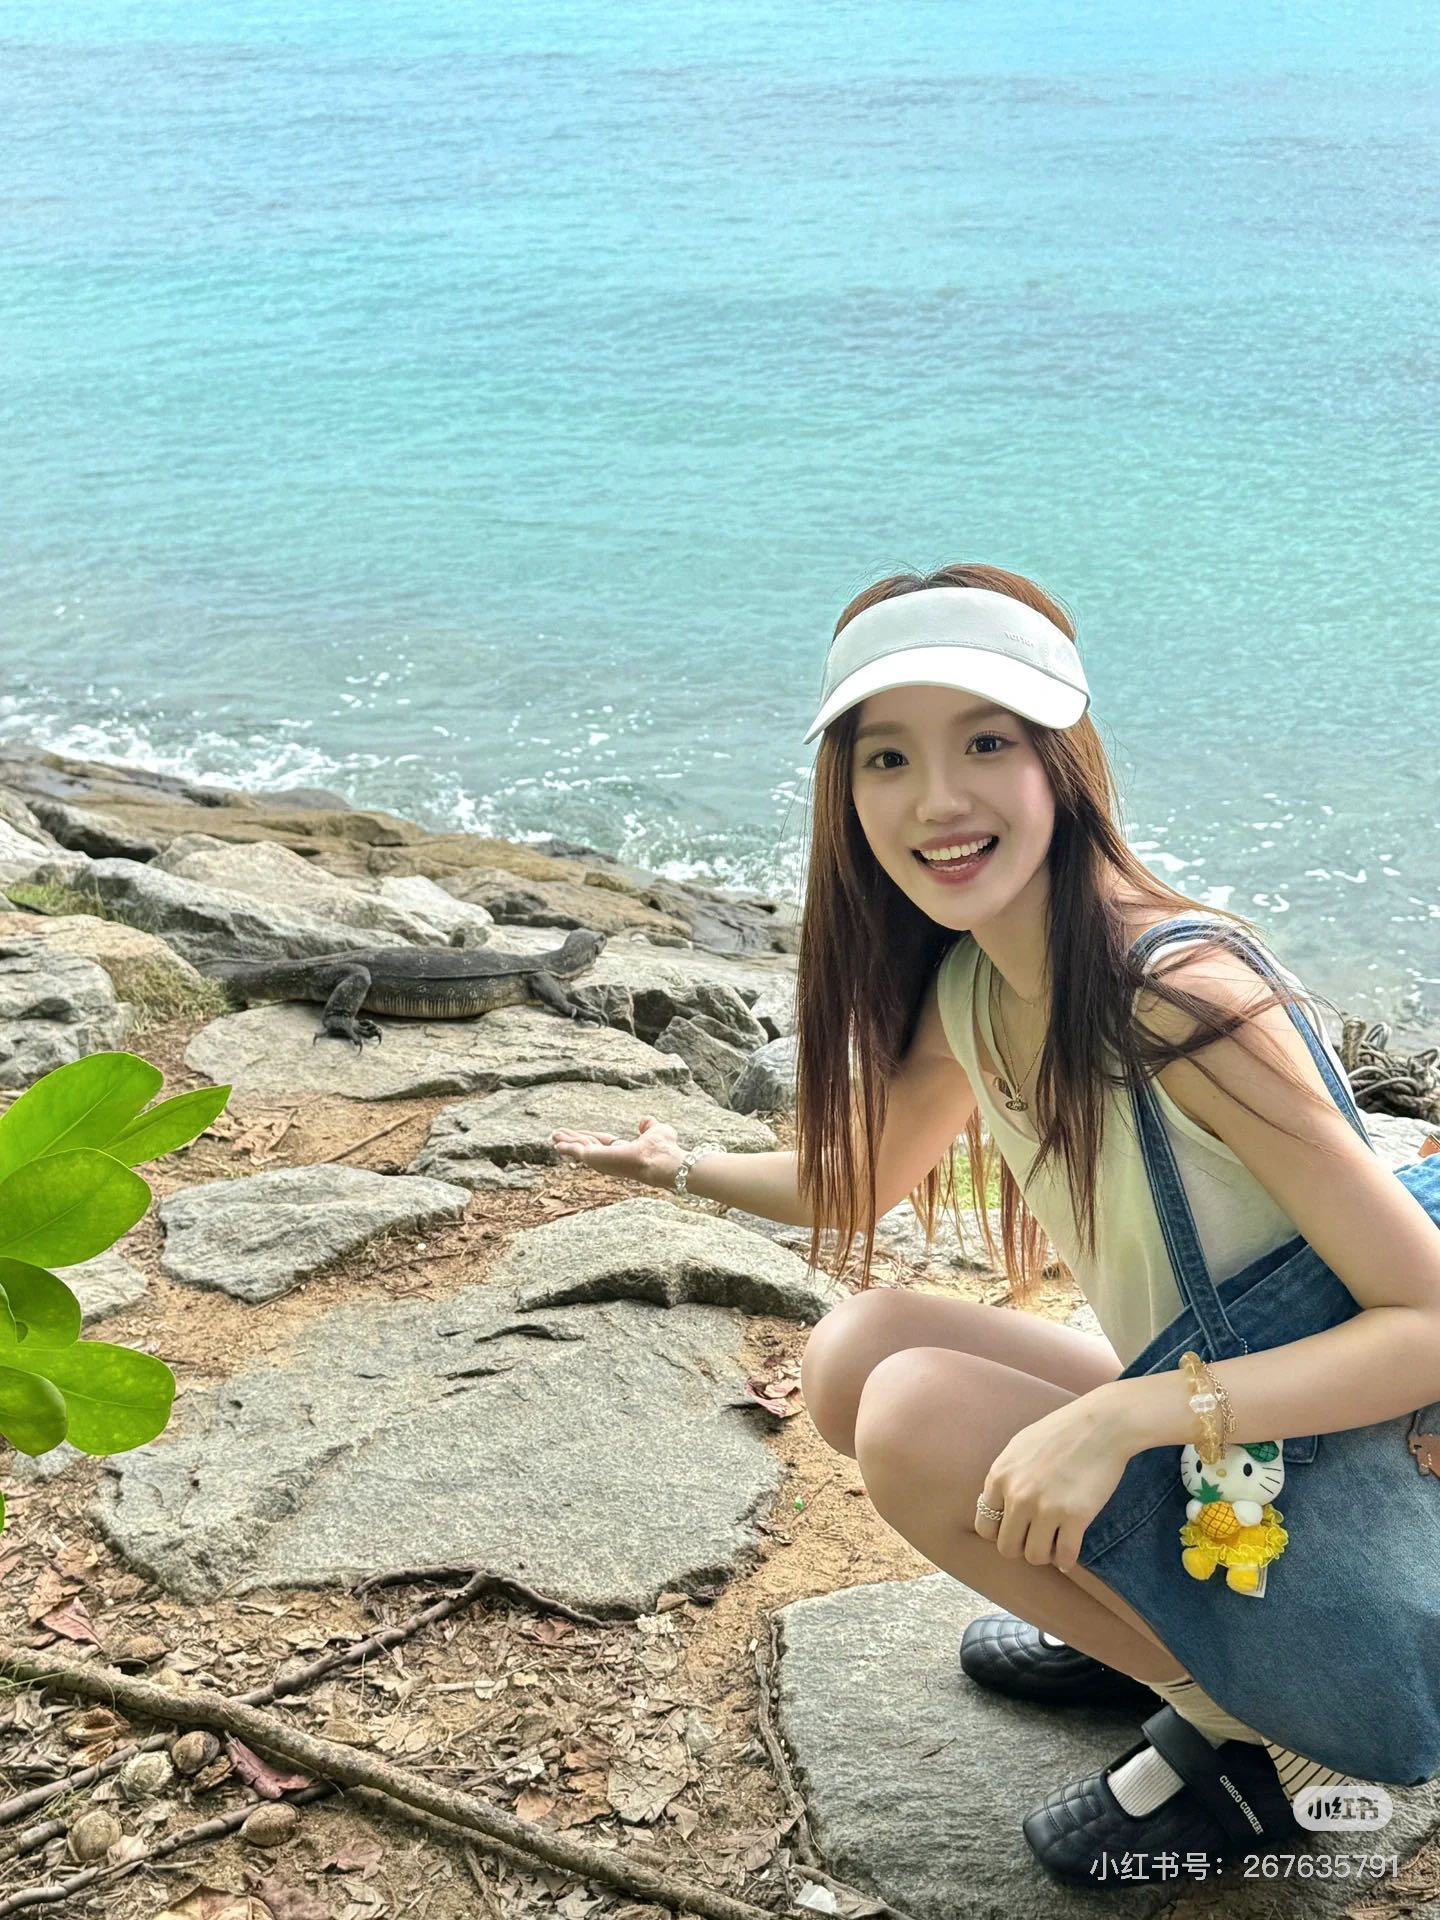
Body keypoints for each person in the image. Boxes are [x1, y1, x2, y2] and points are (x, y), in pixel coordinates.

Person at [551, 562, 1440, 1881]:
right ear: (847, 795)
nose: (937, 801)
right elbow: (854, 1184)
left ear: (1061, 763)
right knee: (857, 1352)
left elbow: (1429, 1321)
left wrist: (1117, 1422)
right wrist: (681, 1168)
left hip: (1331, 1496)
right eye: (887, 758)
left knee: (914, 1415)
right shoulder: (979, 980)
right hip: (1234, 1443)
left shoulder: (1178, 999)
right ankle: (1162, 1627)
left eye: (985, 743)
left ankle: (1259, 1744)